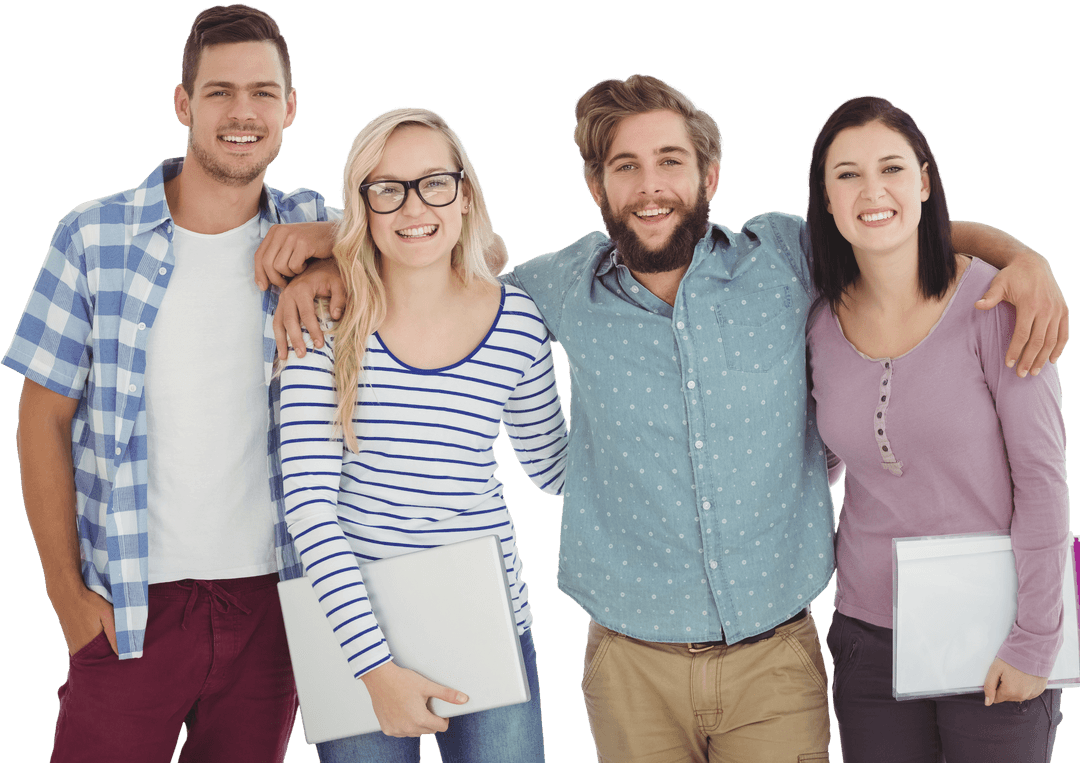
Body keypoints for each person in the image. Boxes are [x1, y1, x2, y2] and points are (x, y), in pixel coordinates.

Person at [270, 76, 1068, 762]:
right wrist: (333, 248)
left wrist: (1023, 261)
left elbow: (887, 231)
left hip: (775, 657)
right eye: (626, 166)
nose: (650, 185)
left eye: (671, 162)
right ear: (597, 186)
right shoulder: (554, 288)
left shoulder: (786, 257)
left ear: (709, 171)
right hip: (629, 667)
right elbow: (438, 255)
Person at [1, 6, 339, 761]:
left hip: (270, 605)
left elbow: (460, 247)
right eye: (219, 92)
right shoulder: (92, 236)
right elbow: (41, 419)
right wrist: (66, 595)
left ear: (290, 106)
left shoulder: (315, 226)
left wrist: (332, 240)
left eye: (262, 92)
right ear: (183, 104)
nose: (242, 112)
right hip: (130, 603)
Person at [279, 107, 566, 762]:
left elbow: (552, 467)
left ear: (464, 195)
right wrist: (376, 669)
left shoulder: (517, 319)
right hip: (352, 629)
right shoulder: (321, 323)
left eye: (434, 182)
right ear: (364, 207)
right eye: (388, 189)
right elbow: (310, 511)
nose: (414, 207)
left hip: (486, 622)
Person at [805, 95, 1067, 762]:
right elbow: (829, 461)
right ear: (827, 201)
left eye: (892, 168)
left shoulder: (996, 305)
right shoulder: (819, 326)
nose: (872, 191)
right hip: (868, 637)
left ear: (924, 180)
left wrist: (1037, 639)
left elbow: (1043, 483)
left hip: (995, 633)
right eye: (847, 175)